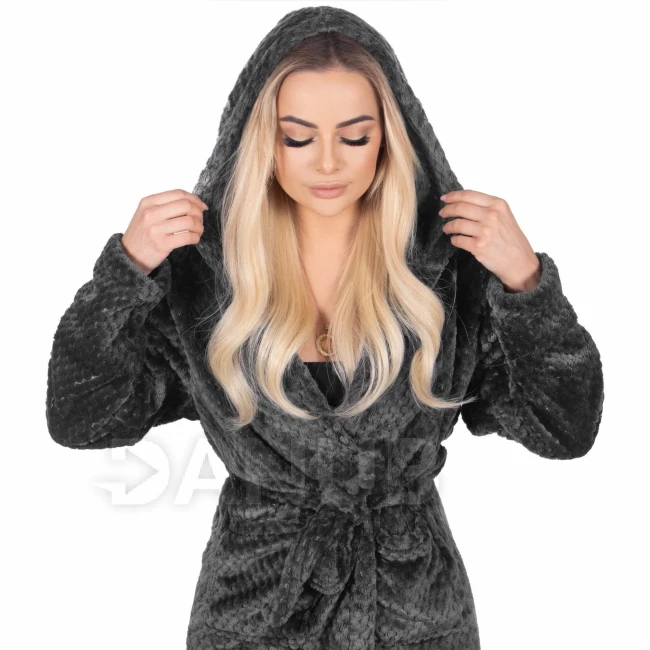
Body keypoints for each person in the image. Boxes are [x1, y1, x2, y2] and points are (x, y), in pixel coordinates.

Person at [45, 6, 605, 650]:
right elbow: (81, 420)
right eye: (298, 138)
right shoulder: (202, 274)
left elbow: (565, 429)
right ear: (263, 139)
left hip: (413, 614)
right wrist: (125, 273)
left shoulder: (449, 270)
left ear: (390, 138)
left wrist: (526, 284)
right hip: (253, 612)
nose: (329, 163)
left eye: (355, 137)